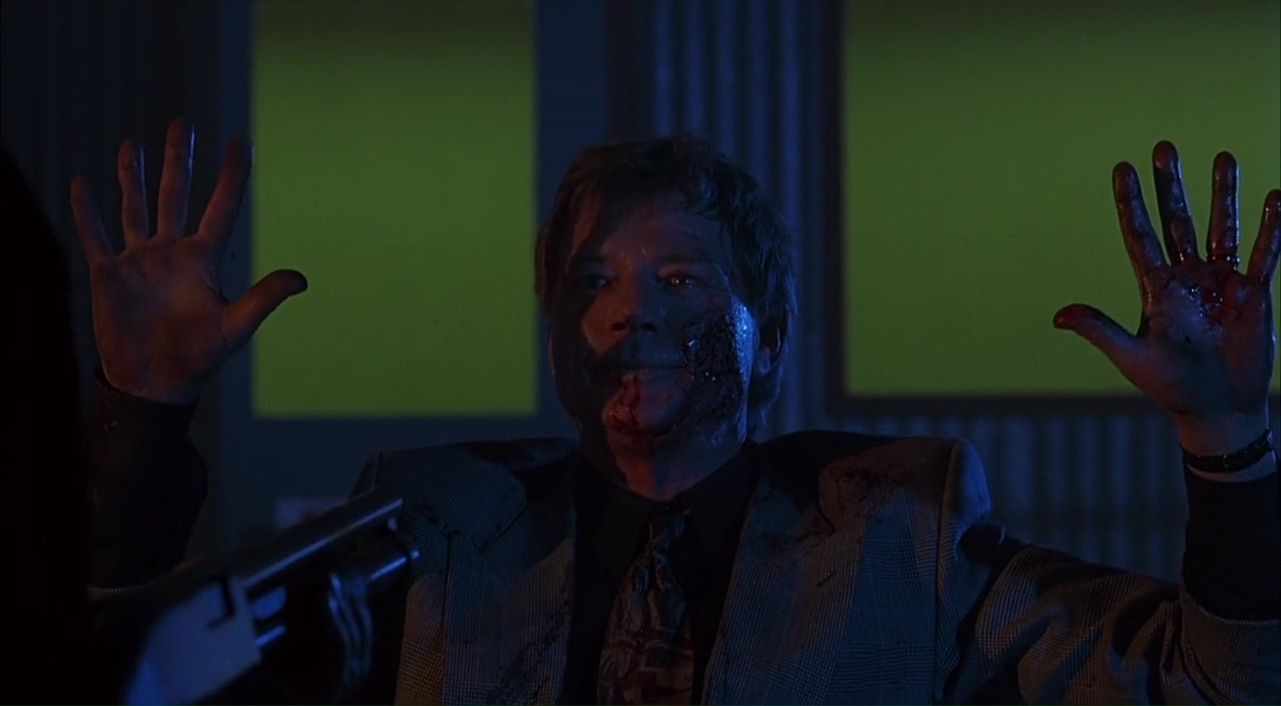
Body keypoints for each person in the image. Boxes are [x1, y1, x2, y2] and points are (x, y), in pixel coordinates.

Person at [78, 117, 1279, 705]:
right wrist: (145, 405)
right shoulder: (432, 525)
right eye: (590, 282)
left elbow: (1221, 684)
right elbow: (104, 667)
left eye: (680, 279)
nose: (628, 316)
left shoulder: (898, 537)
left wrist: (1224, 437)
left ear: (772, 336)